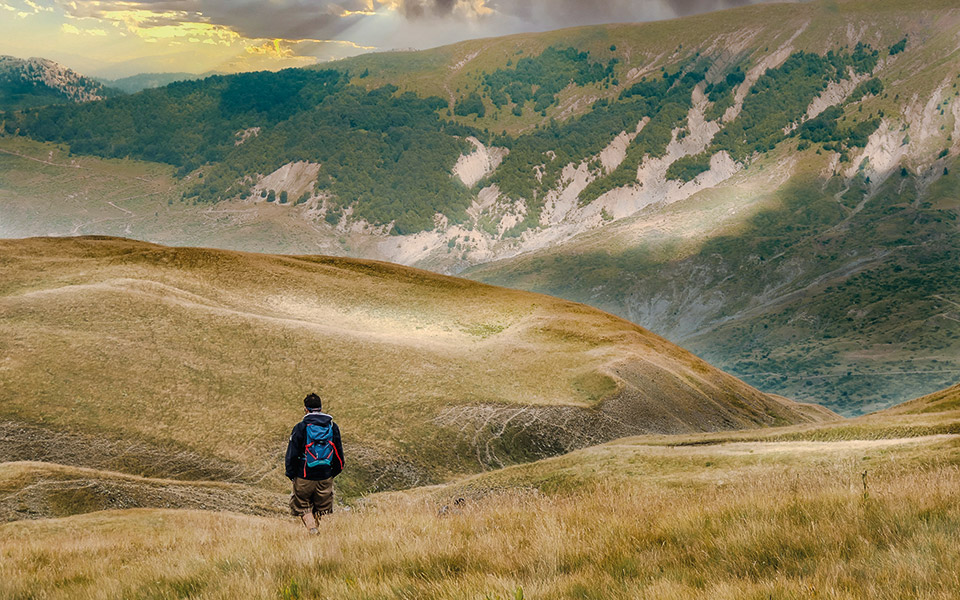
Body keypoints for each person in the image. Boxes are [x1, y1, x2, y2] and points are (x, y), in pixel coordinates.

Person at [284, 392, 344, 533]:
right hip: (325, 475)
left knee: (302, 506)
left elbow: (292, 454)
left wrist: (292, 474)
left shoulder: (300, 427)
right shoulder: (332, 427)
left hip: (304, 475)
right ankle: (325, 537)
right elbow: (339, 454)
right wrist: (331, 473)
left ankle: (312, 530)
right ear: (321, 408)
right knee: (324, 510)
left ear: (305, 409)